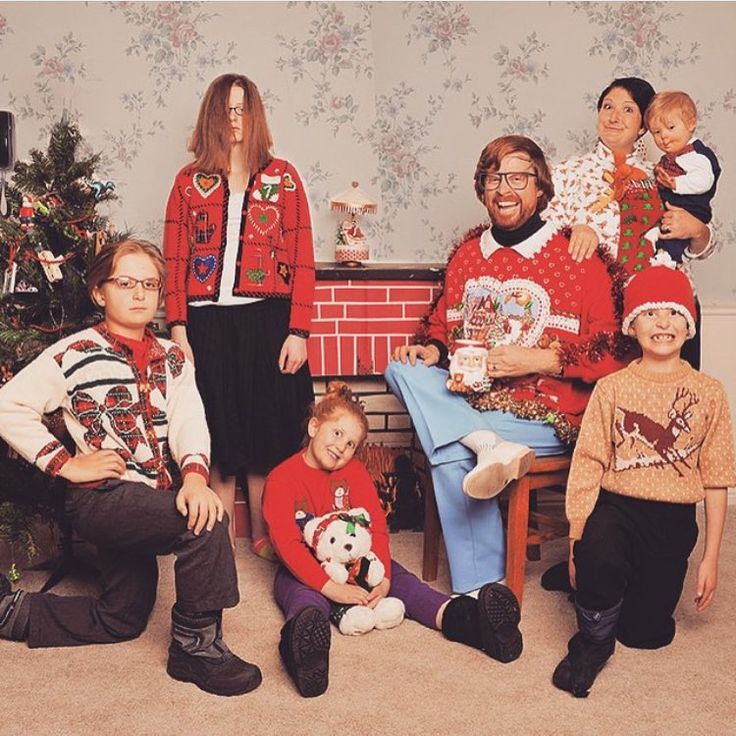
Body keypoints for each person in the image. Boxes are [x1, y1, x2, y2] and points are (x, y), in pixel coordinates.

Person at [0, 239, 262, 697]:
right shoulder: (72, 353)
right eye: (125, 283)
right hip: (101, 498)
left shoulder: (174, 356)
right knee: (204, 521)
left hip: (146, 501)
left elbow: (188, 419)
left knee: (121, 617)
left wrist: (197, 475)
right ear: (100, 292)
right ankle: (195, 649)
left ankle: (12, 611)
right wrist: (66, 464)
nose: (139, 294)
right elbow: (8, 404)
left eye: (150, 285)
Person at [384, 135, 628, 596]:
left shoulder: (577, 255)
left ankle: (479, 587)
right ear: (482, 188)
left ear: (540, 188)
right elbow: (441, 327)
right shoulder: (467, 257)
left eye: (518, 177)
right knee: (400, 369)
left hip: (541, 412)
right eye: (494, 178)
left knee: (450, 450)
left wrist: (542, 358)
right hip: (468, 400)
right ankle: (486, 446)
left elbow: (615, 347)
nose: (504, 189)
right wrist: (431, 351)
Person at [263, 382, 524, 698]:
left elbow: (376, 530)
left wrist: (384, 578)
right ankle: (305, 655)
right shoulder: (281, 477)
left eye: (350, 444)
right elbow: (288, 543)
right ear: (315, 426)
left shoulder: (356, 473)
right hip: (305, 568)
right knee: (303, 600)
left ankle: (476, 625)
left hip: (360, 563)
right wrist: (331, 588)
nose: (341, 447)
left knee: (412, 588)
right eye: (336, 434)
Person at [552, 265, 736, 698]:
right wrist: (577, 541)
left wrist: (710, 558)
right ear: (632, 325)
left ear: (688, 326)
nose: (663, 324)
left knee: (647, 636)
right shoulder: (613, 389)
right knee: (601, 557)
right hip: (616, 508)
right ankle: (589, 635)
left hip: (671, 522)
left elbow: (716, 478)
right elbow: (588, 465)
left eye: (673, 314)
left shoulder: (710, 393)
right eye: (651, 313)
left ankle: (598, 582)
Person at [163, 73, 315, 557]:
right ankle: (216, 547)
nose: (234, 119)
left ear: (255, 115)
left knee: (268, 432)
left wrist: (299, 331)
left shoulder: (284, 177)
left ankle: (274, 541)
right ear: (212, 115)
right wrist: (179, 328)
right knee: (216, 437)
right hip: (206, 325)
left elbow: (304, 258)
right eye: (226, 109)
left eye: (242, 109)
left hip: (266, 321)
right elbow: (175, 260)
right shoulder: (189, 183)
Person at [543, 77, 715, 369]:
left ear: (644, 125)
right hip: (591, 315)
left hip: (662, 314)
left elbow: (703, 245)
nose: (614, 116)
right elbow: (539, 233)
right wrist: (573, 230)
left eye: (627, 110)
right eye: (607, 106)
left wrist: (696, 229)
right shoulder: (566, 173)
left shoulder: (665, 173)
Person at [646, 90, 721, 264]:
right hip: (673, 204)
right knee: (663, 219)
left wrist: (676, 183)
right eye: (656, 132)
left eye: (670, 127)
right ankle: (655, 236)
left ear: (690, 123)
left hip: (691, 208)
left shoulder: (696, 154)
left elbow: (705, 180)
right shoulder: (674, 156)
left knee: (676, 232)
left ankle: (668, 257)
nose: (663, 136)